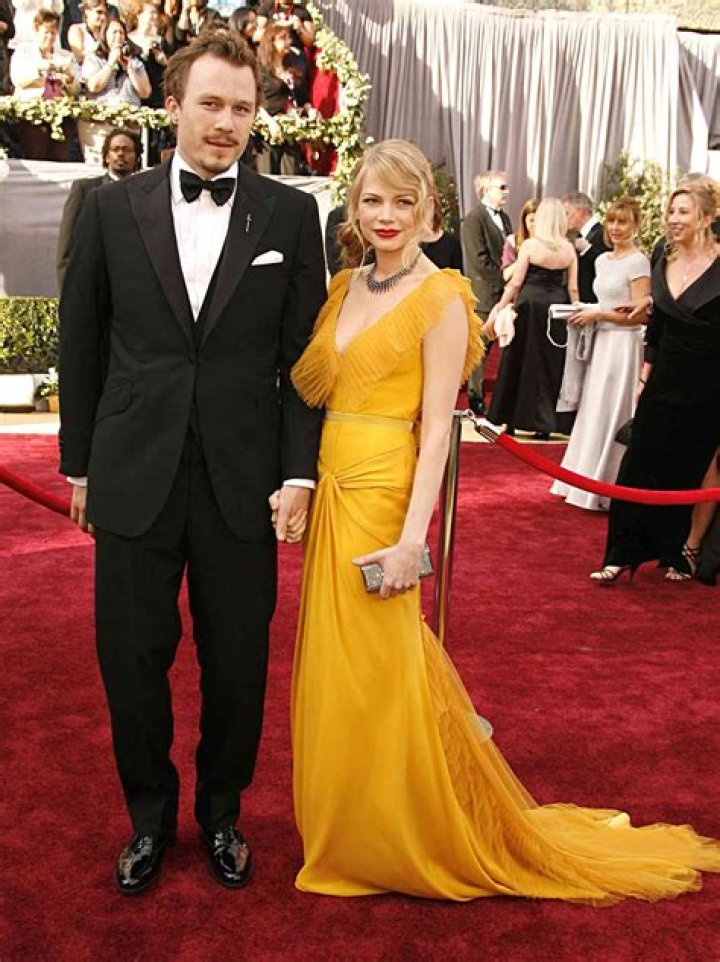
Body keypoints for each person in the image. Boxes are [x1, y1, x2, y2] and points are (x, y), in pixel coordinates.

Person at [288, 139, 720, 901]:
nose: (387, 215)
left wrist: (411, 542)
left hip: (385, 498)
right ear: (353, 208)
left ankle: (401, 830)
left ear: (428, 211)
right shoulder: (344, 286)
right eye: (373, 200)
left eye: (403, 201)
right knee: (341, 669)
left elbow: (436, 434)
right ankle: (351, 820)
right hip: (334, 493)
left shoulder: (442, 296)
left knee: (380, 667)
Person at [59, 28, 326, 895]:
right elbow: (81, 342)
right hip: (133, 471)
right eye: (210, 103)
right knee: (131, 662)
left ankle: (221, 814)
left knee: (238, 665)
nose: (226, 123)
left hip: (242, 480)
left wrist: (298, 473)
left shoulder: (290, 215)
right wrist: (79, 468)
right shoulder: (109, 208)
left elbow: (302, 359)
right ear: (172, 105)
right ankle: (148, 818)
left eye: (242, 108)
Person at [592, 181, 719, 583]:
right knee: (639, 462)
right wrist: (645, 375)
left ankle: (683, 551)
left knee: (696, 467)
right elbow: (658, 326)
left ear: (706, 217)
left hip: (710, 382)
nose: (673, 219)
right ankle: (620, 553)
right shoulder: (663, 256)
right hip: (664, 377)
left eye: (683, 211)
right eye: (671, 211)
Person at [550, 197, 651, 511]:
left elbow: (640, 316)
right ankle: (582, 480)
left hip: (623, 345)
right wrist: (587, 311)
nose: (616, 228)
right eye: (612, 221)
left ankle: (607, 487)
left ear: (635, 225)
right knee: (593, 409)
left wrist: (599, 315)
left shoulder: (638, 261)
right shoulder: (602, 260)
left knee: (612, 410)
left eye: (623, 222)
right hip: (601, 341)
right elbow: (606, 302)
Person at [485, 198, 578, 440]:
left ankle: (508, 419)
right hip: (555, 309)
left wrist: (499, 308)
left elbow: (515, 282)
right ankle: (544, 424)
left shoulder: (530, 246)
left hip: (529, 307)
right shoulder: (569, 249)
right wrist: (575, 312)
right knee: (549, 365)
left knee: (517, 361)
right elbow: (573, 288)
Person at [56, 127, 141, 289]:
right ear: (106, 156)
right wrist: (68, 293)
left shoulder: (145, 193)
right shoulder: (84, 189)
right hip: (93, 285)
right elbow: (66, 247)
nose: (121, 154)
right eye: (115, 149)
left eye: (127, 150)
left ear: (136, 157)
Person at [461, 170, 512, 415]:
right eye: (501, 187)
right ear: (485, 190)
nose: (506, 192)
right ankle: (475, 396)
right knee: (480, 348)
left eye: (506, 187)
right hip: (484, 292)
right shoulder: (474, 219)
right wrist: (505, 279)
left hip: (505, 292)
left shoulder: (505, 218)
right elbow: (478, 260)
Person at [9, 10, 79, 161]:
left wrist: (69, 77)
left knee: (61, 157)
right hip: (33, 113)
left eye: (53, 33)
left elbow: (76, 89)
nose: (50, 37)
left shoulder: (65, 56)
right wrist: (43, 70)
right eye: (46, 32)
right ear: (36, 29)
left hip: (61, 113)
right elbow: (18, 79)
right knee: (37, 155)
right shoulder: (23, 51)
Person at [79, 18, 150, 162]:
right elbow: (93, 86)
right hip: (100, 126)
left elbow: (145, 92)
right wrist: (111, 63)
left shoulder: (135, 62)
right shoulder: (93, 59)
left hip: (129, 125)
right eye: (114, 32)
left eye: (121, 32)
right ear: (104, 35)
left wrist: (130, 69)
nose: (118, 36)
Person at [255, 21, 308, 175]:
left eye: (288, 37)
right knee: (267, 177)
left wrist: (309, 109)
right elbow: (255, 102)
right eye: (283, 38)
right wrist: (269, 122)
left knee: (291, 176)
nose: (288, 41)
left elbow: (302, 97)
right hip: (267, 133)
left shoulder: (293, 67)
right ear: (271, 42)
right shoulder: (261, 70)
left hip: (290, 131)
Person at [563, 191, 609, 303]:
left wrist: (588, 250)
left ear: (580, 211)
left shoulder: (603, 234)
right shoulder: (577, 235)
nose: (564, 219)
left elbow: (608, 266)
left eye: (567, 213)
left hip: (593, 301)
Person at [501, 198, 538, 283]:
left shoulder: (549, 243)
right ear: (524, 221)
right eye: (531, 220)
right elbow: (506, 275)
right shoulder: (513, 241)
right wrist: (524, 259)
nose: (535, 225)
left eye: (538, 220)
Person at [67, 0, 108, 65]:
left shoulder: (106, 31)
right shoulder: (77, 29)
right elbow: (79, 58)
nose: (103, 17)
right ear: (87, 11)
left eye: (105, 13)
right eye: (99, 12)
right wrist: (98, 48)